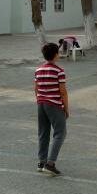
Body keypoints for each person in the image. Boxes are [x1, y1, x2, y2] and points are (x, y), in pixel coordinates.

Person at [34, 42, 69, 176]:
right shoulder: (59, 71)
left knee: (43, 133)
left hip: (41, 104)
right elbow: (63, 92)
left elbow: (36, 88)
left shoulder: (38, 70)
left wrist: (40, 99)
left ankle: (41, 162)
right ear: (55, 55)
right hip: (54, 104)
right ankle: (50, 163)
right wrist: (66, 108)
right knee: (60, 133)